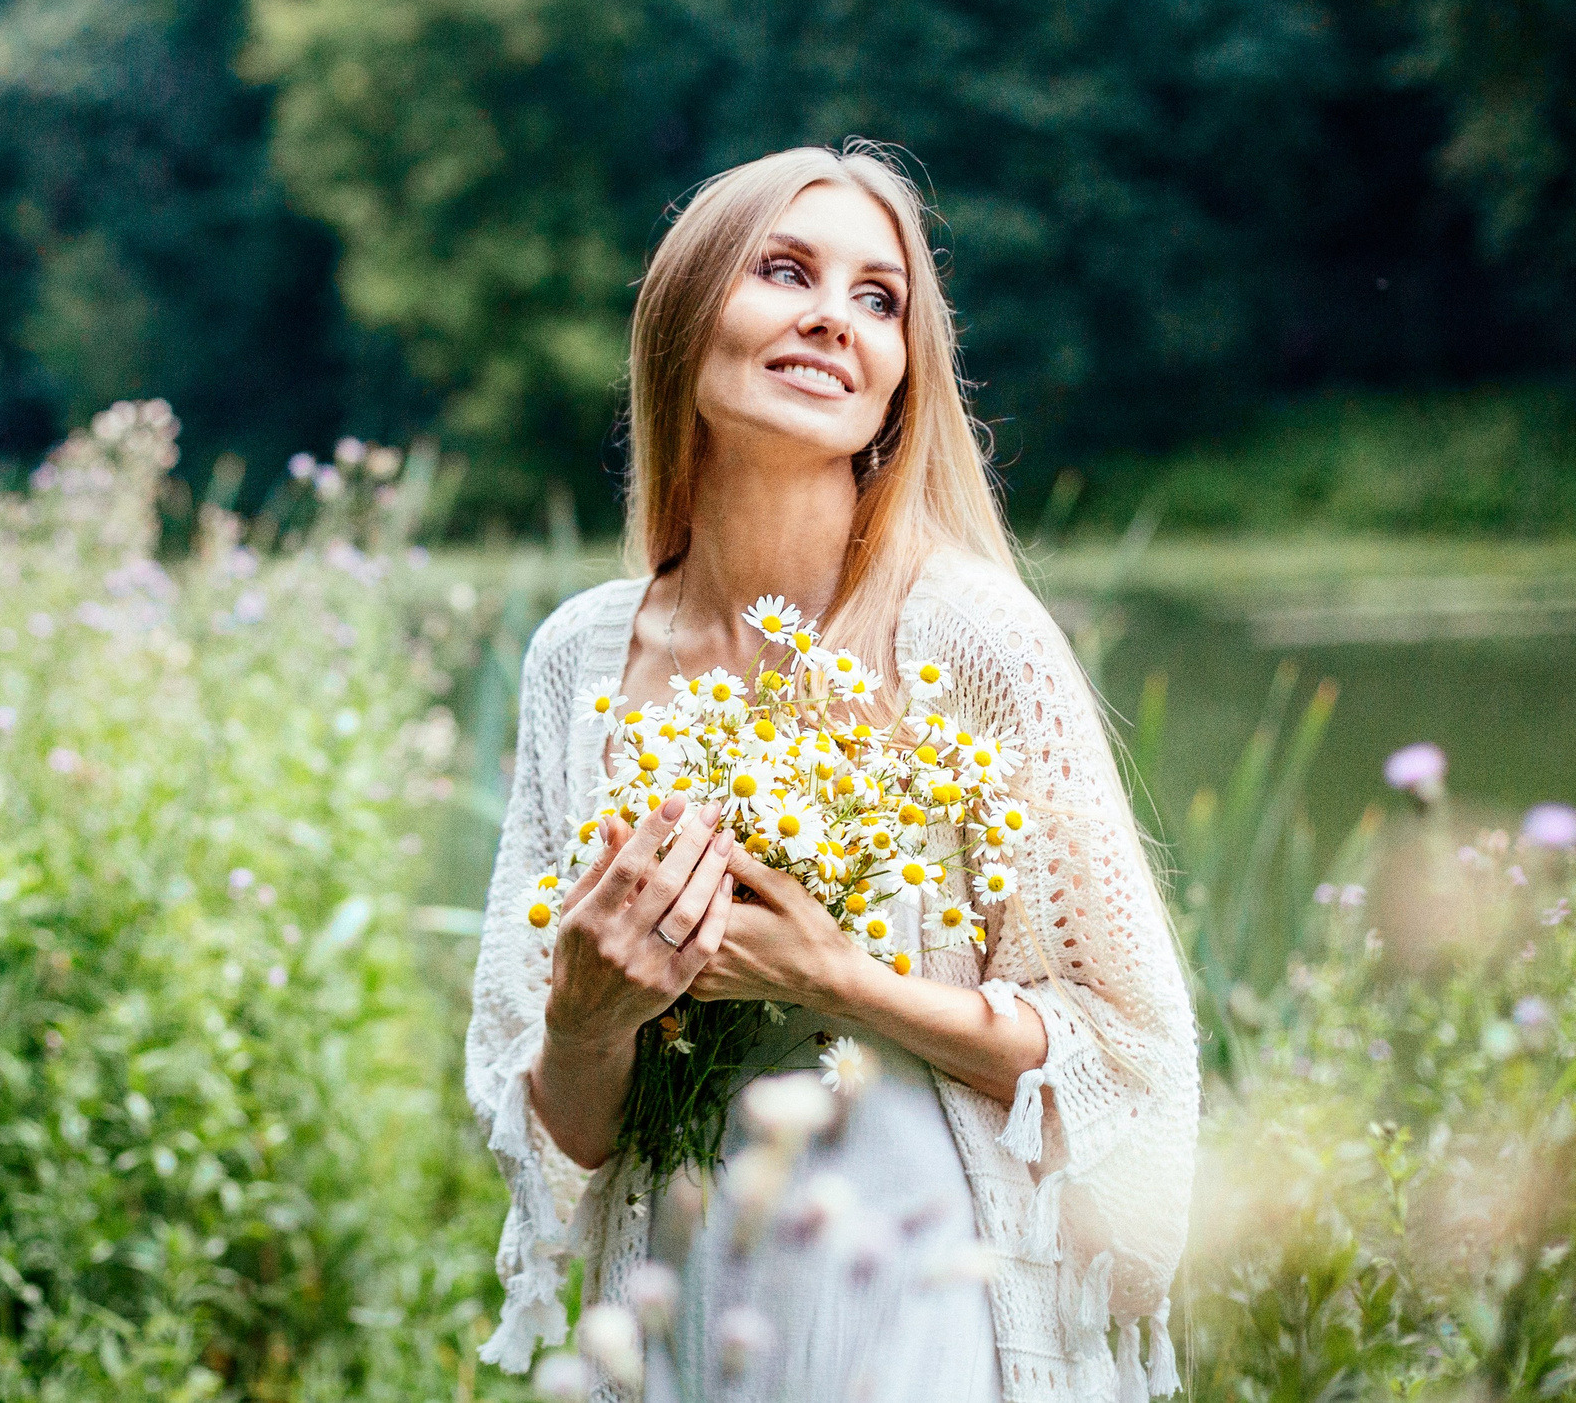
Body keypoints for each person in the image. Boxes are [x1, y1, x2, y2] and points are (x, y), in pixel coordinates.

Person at [465, 143, 1198, 1402]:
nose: (831, 317)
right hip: (686, 1291)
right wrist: (586, 1015)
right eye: (785, 270)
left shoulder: (972, 639)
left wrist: (837, 978)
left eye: (877, 297)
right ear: (682, 314)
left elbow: (1126, 1053)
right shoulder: (575, 660)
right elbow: (560, 1142)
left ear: (902, 375)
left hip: (922, 1291)